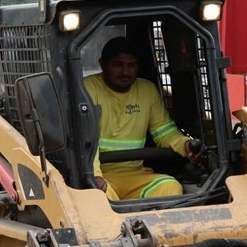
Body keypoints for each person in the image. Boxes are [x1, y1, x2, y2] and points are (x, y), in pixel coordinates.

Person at [84, 36, 203, 200]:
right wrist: (95, 175)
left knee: (170, 186)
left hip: (136, 175)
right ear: (103, 65)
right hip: (103, 176)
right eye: (118, 64)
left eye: (131, 65)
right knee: (99, 197)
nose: (125, 72)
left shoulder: (147, 90)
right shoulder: (88, 89)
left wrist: (185, 145)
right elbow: (85, 140)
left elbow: (164, 132)